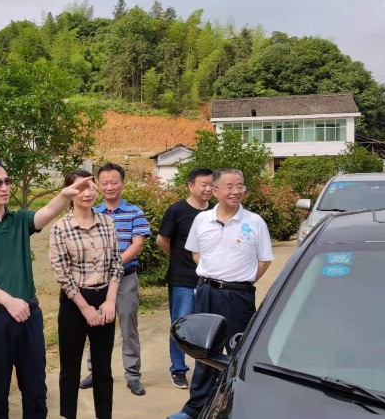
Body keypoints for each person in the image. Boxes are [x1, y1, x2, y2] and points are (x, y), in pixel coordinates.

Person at [0, 158, 93, 419]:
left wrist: (66, 194)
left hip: (29, 316)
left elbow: (48, 211)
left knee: (35, 391)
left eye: (7, 181)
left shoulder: (20, 219)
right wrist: (8, 301)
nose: (5, 187)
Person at [167, 168, 273, 419]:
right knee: (203, 349)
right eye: (230, 186)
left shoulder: (254, 222)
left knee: (239, 350)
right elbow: (196, 253)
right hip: (206, 291)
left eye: (240, 186)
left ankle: (241, 406)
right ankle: (195, 408)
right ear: (215, 190)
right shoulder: (202, 220)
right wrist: (214, 274)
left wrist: (240, 280)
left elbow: (265, 261)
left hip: (239, 296)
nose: (236, 191)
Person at [48, 170, 124, 419]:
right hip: (74, 302)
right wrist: (85, 308)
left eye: (91, 187)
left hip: (105, 299)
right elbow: (62, 273)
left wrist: (110, 300)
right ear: (70, 193)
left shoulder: (107, 223)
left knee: (103, 368)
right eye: (81, 188)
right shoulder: (60, 228)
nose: (88, 193)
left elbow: (116, 264)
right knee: (70, 368)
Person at [81, 162, 151, 395]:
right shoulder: (92, 212)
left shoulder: (134, 212)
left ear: (122, 184)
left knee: (128, 326)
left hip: (125, 278)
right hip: (97, 280)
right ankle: (96, 371)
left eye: (114, 182)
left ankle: (133, 375)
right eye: (104, 183)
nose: (109, 187)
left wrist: (114, 264)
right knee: (96, 325)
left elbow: (137, 244)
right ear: (98, 186)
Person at [155, 167, 214, 389]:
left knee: (207, 325)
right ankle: (178, 369)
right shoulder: (177, 210)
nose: (208, 189)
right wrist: (178, 258)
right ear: (191, 186)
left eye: (211, 185)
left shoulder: (216, 211)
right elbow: (162, 240)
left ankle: (206, 369)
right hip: (182, 279)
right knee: (180, 324)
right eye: (203, 184)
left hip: (209, 279)